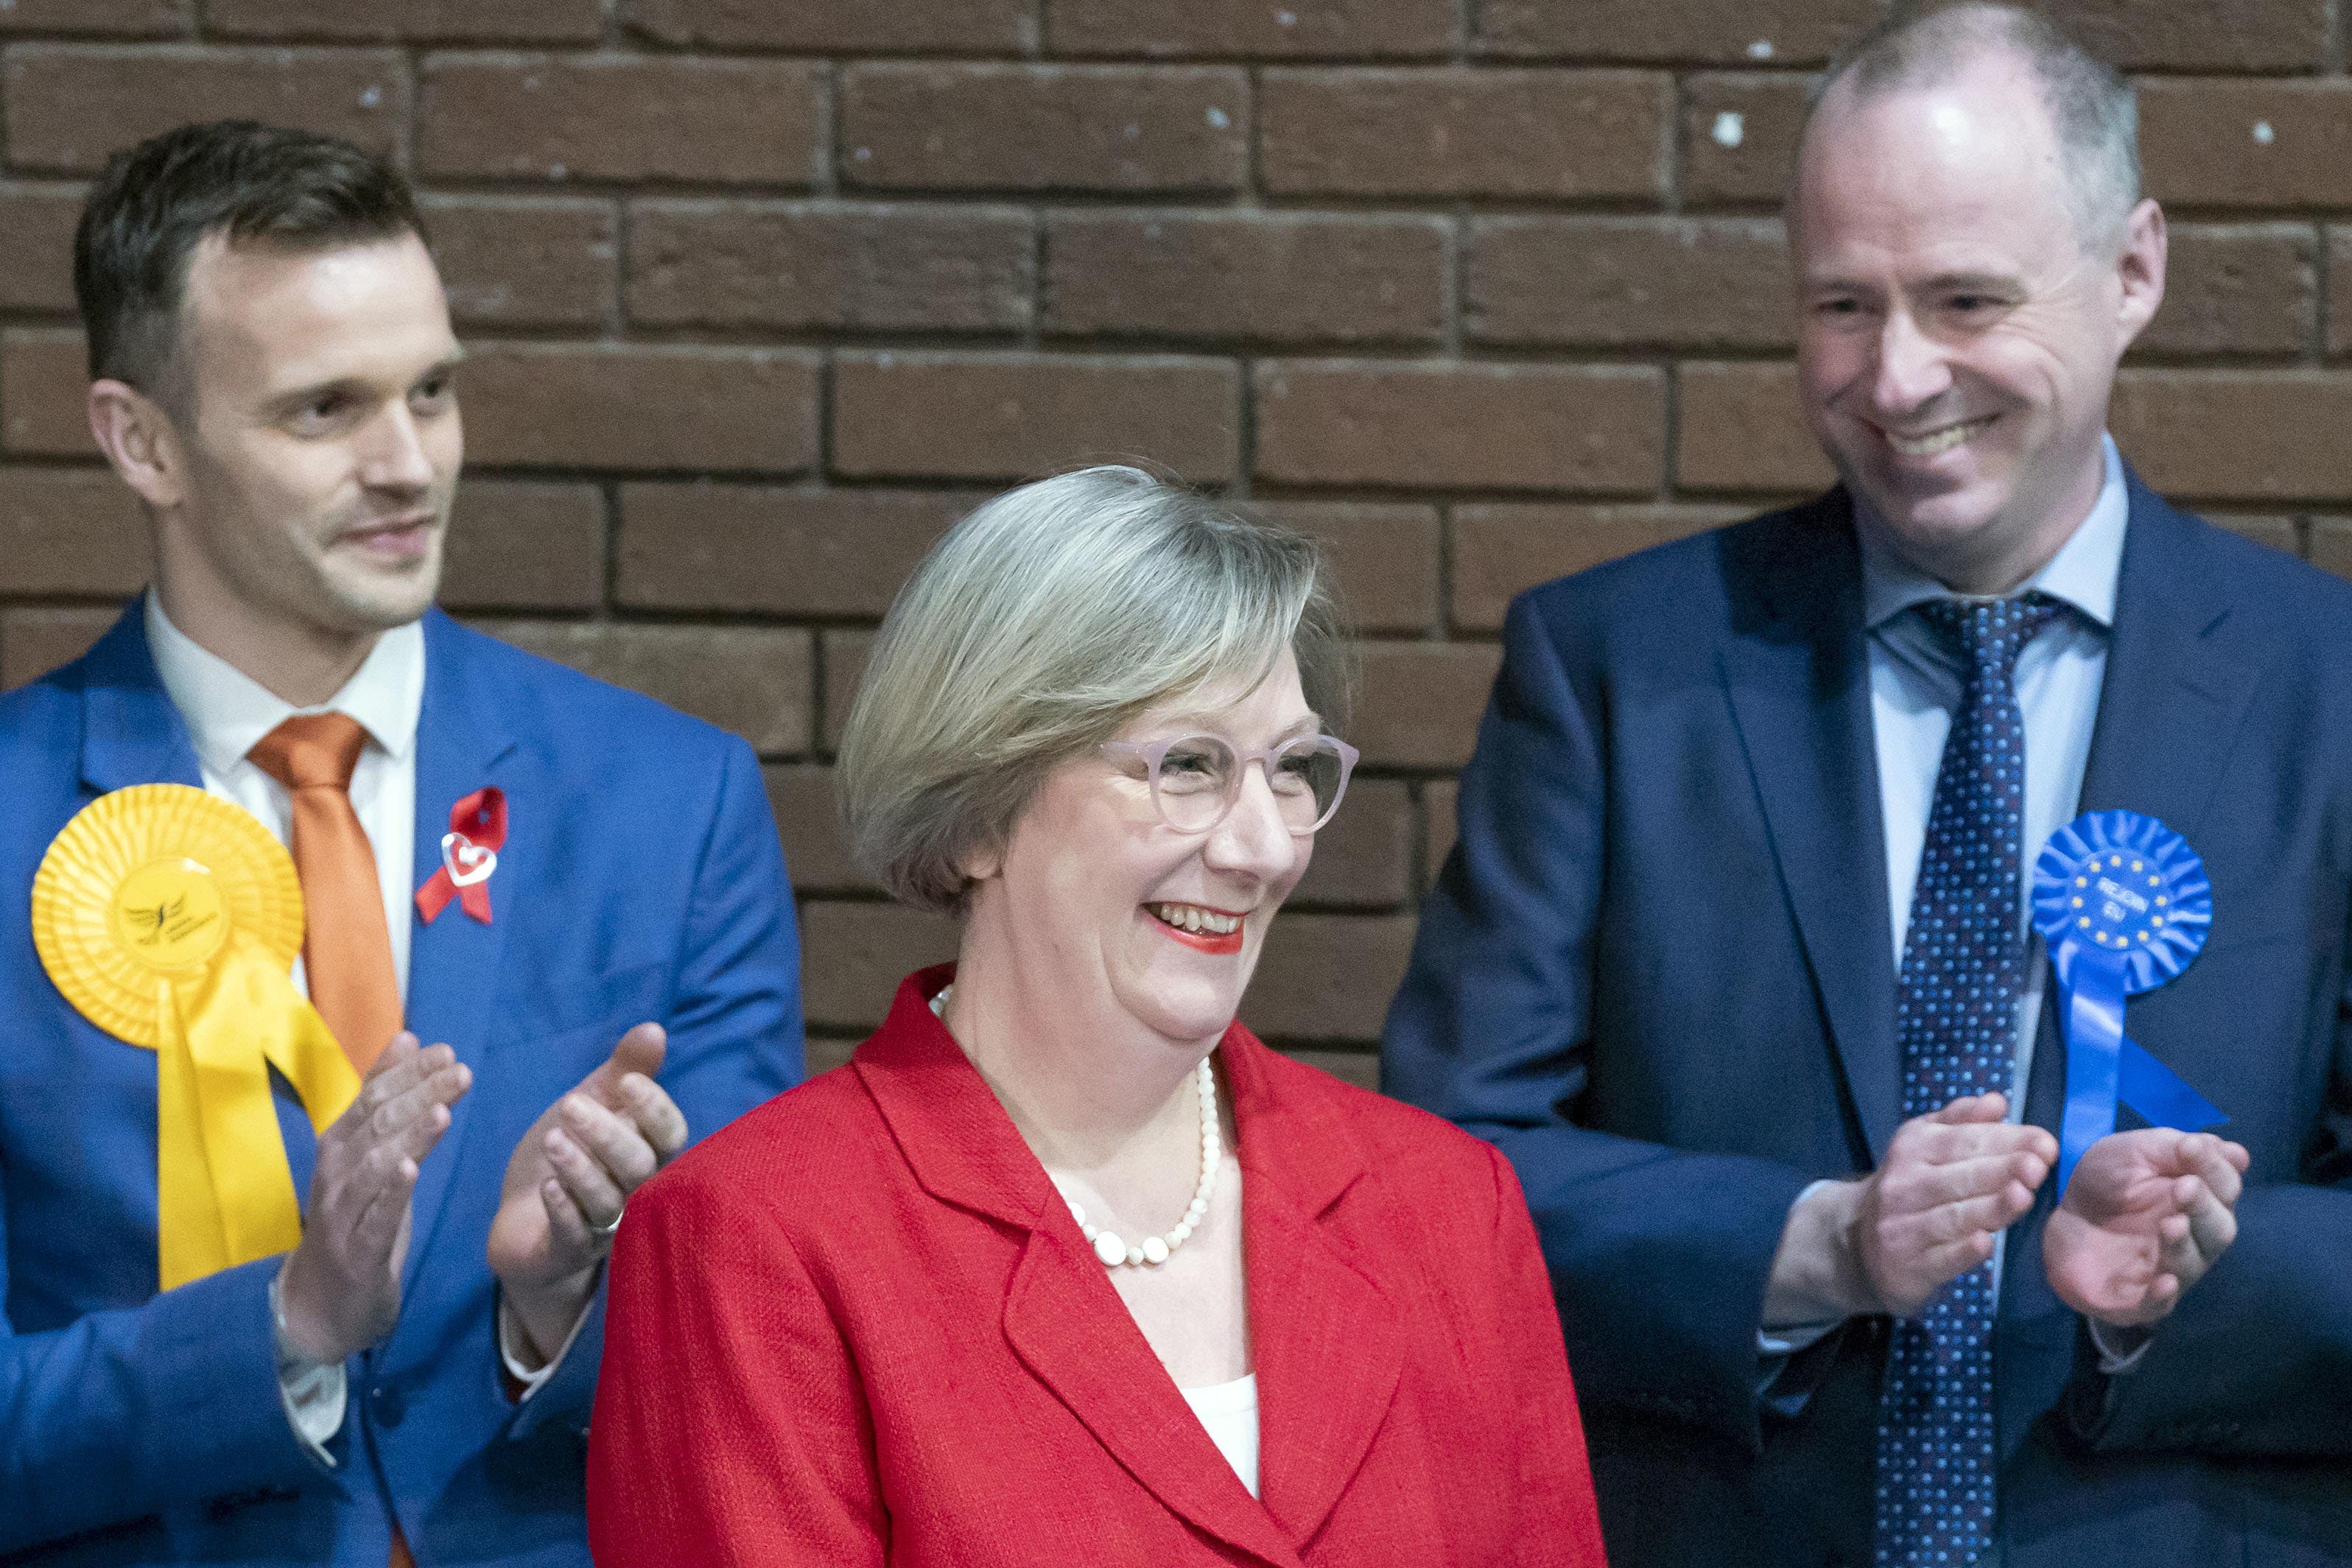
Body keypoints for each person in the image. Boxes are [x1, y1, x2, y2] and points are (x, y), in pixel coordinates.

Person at [1384, 7, 2350, 1567]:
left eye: (1965, 299)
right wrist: (1812, 1246)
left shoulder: (2331, 691)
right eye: (1842, 305)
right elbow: (1443, 1169)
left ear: (2133, 271)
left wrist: (2188, 1277)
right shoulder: (1617, 670)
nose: (1897, 379)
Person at [0, 121, 801, 1564]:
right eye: (325, 411)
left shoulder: (674, 807)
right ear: (142, 442)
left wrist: (552, 1301)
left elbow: (760, 1367)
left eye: (431, 393)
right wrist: (283, 1329)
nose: (407, 464)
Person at [585, 466, 1608, 1567]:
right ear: (980, 812)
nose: (1261, 846)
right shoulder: (754, 1237)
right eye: (1189, 765)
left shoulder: (1448, 1205)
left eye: (1290, 768)